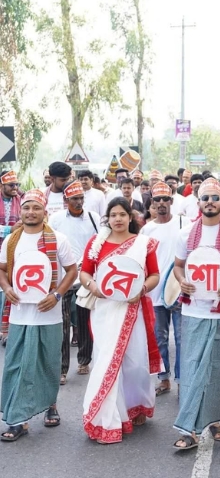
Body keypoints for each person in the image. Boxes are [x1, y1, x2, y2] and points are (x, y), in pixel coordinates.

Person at [170, 178, 220, 451]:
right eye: (206, 198)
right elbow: (178, 266)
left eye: (215, 198)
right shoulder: (185, 234)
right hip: (194, 310)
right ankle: (188, 428)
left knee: (216, 369)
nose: (210, 202)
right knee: (192, 367)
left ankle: (214, 420)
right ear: (199, 203)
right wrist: (182, 281)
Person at [78, 198, 161, 444]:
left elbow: (155, 275)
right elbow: (84, 272)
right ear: (107, 218)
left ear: (130, 217)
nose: (117, 219)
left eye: (122, 214)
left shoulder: (142, 244)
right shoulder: (96, 243)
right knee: (106, 361)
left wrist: (143, 289)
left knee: (135, 361)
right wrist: (93, 286)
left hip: (133, 309)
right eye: (112, 215)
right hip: (105, 310)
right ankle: (107, 419)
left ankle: (135, 405)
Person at [0, 189, 78, 441]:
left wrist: (56, 295)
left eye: (36, 208)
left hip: (49, 314)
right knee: (15, 365)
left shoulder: (58, 239)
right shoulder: (11, 241)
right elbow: (2, 270)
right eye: (26, 208)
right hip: (20, 314)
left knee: (48, 363)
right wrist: (7, 288)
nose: (30, 212)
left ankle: (50, 405)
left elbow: (72, 271)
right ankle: (17, 419)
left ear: (45, 211)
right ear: (20, 211)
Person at [48, 181, 101, 382]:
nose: (79, 202)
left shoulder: (93, 218)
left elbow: (98, 244)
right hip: (62, 278)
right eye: (74, 199)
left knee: (84, 321)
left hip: (85, 277)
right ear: (65, 200)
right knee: (63, 323)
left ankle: (84, 360)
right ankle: (62, 369)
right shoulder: (55, 219)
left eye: (81, 198)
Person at [141, 181, 186, 395]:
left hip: (179, 290)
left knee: (180, 338)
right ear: (152, 202)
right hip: (154, 293)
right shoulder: (147, 229)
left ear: (171, 201)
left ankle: (181, 380)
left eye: (165, 199)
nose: (161, 203)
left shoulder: (184, 223)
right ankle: (163, 378)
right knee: (159, 337)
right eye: (157, 200)